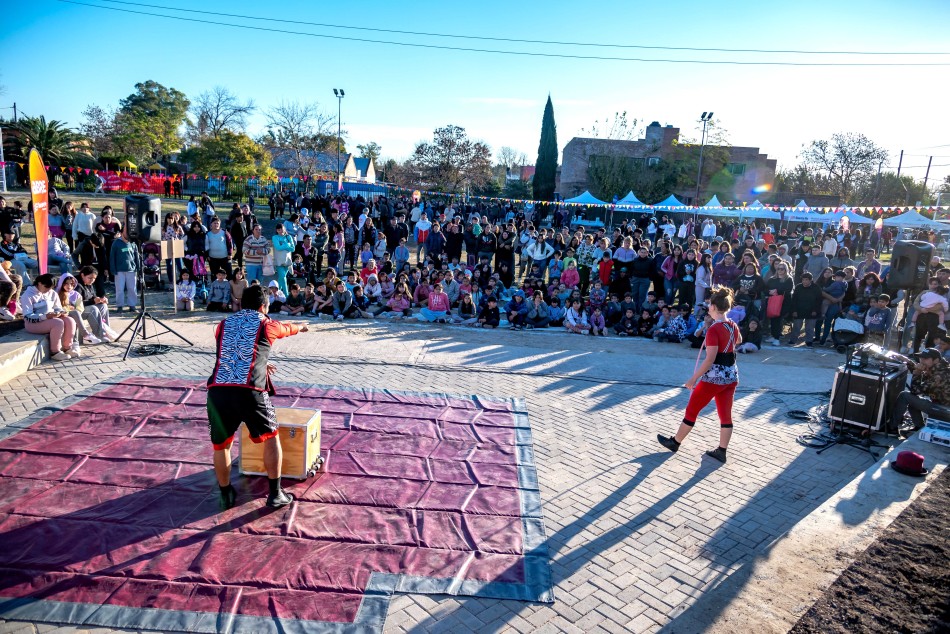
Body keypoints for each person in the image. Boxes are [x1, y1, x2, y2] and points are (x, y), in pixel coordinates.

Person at [207, 284, 309, 509]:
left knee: (221, 446)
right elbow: (285, 328)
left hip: (218, 391)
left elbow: (233, 351)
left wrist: (263, 363)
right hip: (249, 391)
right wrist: (301, 327)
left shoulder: (222, 325)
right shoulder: (266, 324)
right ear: (264, 306)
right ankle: (275, 494)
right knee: (272, 437)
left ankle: (225, 494)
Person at [657, 287, 742, 463]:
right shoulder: (732, 325)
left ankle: (675, 442)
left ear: (713, 307)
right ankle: (722, 450)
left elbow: (709, 360)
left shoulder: (713, 330)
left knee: (692, 410)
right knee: (725, 414)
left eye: (709, 304)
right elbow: (739, 341)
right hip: (731, 376)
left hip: (714, 378)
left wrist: (693, 378)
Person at [890, 348, 950, 436]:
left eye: (925, 359)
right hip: (942, 407)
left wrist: (917, 373)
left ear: (936, 360)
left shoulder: (940, 375)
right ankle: (919, 427)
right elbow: (922, 386)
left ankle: (891, 428)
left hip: (944, 411)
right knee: (912, 400)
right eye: (921, 358)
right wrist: (908, 361)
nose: (921, 361)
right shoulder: (939, 368)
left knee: (905, 396)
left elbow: (915, 391)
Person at [20, 273, 79, 361]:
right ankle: (55, 352)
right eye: (46, 287)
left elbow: (57, 307)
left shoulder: (52, 293)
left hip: (50, 319)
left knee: (69, 320)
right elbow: (28, 316)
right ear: (39, 283)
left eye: (51, 288)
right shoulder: (27, 295)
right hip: (33, 324)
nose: (48, 290)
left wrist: (61, 312)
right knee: (58, 323)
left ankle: (67, 348)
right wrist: (45, 316)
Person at [109, 230, 139, 312]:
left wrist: (138, 268)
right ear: (122, 233)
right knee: (119, 289)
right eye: (126, 232)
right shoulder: (116, 243)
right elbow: (112, 257)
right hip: (119, 270)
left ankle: (132, 305)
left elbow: (136, 256)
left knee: (132, 288)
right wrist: (113, 269)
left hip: (131, 270)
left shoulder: (133, 243)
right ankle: (120, 306)